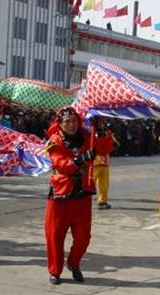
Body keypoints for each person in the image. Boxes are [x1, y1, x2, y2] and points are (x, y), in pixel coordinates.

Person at [44, 107, 113, 285]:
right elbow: (61, 163)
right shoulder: (55, 140)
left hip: (82, 196)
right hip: (60, 196)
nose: (71, 124)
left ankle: (74, 264)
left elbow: (105, 149)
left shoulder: (89, 136)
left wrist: (102, 130)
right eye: (67, 121)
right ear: (60, 123)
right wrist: (81, 159)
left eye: (74, 120)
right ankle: (55, 271)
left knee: (83, 237)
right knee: (54, 236)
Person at [92, 116, 115, 210]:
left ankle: (102, 201)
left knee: (104, 183)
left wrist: (107, 135)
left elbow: (111, 146)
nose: (103, 122)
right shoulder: (91, 132)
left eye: (103, 121)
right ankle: (84, 201)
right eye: (101, 121)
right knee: (91, 183)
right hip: (95, 162)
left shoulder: (107, 132)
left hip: (104, 161)